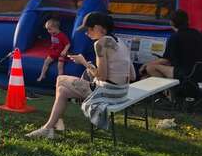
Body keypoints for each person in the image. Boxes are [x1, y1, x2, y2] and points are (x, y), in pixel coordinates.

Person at [26, 11, 133, 139]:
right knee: (62, 90)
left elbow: (102, 76)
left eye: (89, 29)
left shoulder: (100, 43)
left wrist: (83, 62)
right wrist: (92, 68)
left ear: (98, 28)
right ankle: (51, 126)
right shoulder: (120, 42)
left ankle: (52, 126)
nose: (87, 33)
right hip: (122, 92)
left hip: (108, 93)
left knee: (60, 79)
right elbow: (132, 75)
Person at [140, 9, 202, 82]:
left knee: (150, 68)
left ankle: (169, 91)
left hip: (186, 72)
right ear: (188, 21)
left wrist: (145, 65)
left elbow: (166, 60)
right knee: (146, 77)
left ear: (171, 23)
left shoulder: (175, 37)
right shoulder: (196, 33)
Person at [36, 17, 71, 82]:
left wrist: (64, 51)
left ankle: (60, 80)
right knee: (46, 62)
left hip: (61, 53)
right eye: (47, 29)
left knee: (59, 66)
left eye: (49, 29)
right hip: (54, 52)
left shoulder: (61, 35)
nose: (48, 31)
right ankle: (42, 75)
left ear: (56, 28)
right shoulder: (52, 34)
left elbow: (68, 44)